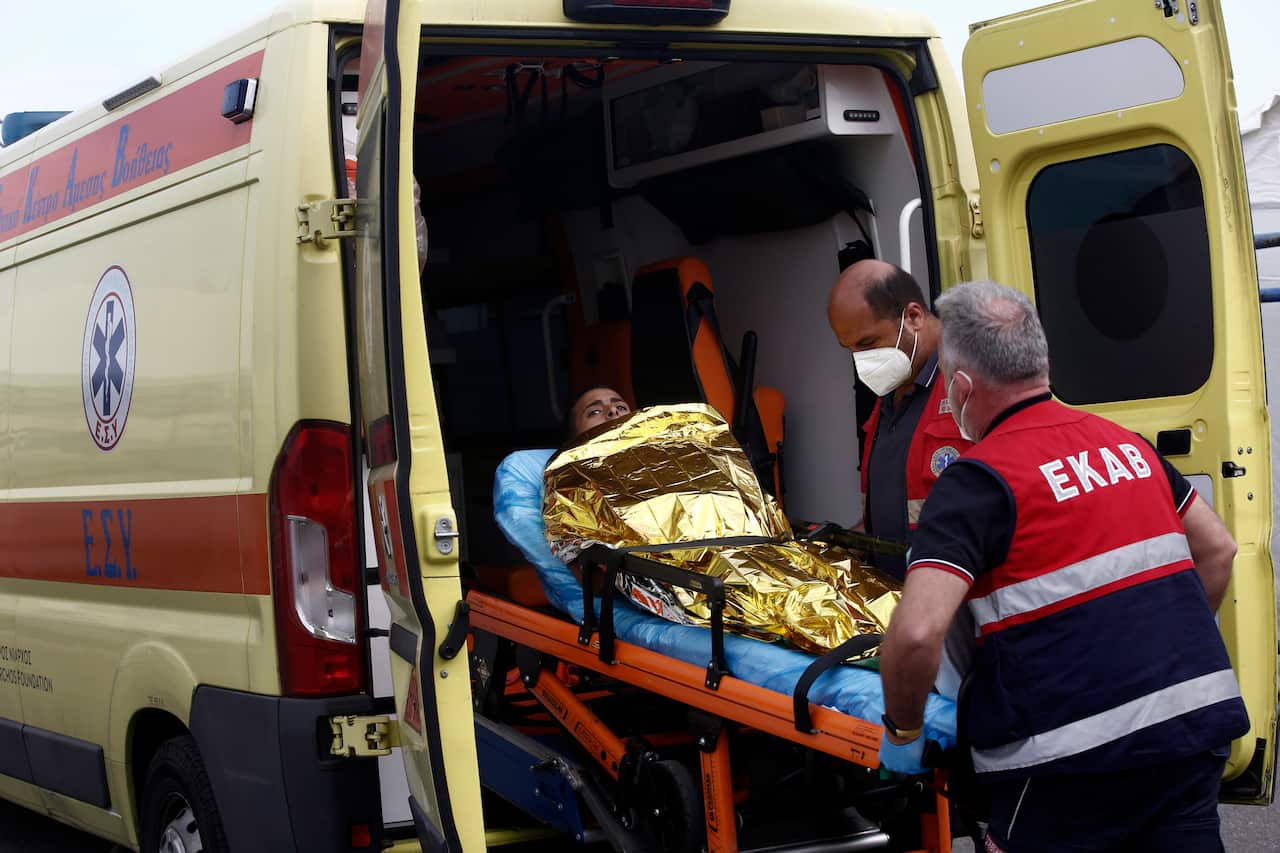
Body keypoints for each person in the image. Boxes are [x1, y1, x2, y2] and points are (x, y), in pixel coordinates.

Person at [877, 281, 1248, 852]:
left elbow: (919, 633)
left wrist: (902, 731)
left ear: (963, 388)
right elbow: (1217, 550)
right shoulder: (1129, 447)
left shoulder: (976, 482)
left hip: (1066, 764)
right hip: (1189, 733)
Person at [827, 260, 972, 579]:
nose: (861, 361)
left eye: (866, 344)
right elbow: (899, 510)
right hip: (897, 601)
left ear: (914, 317)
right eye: (849, 349)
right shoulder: (891, 393)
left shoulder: (971, 383)